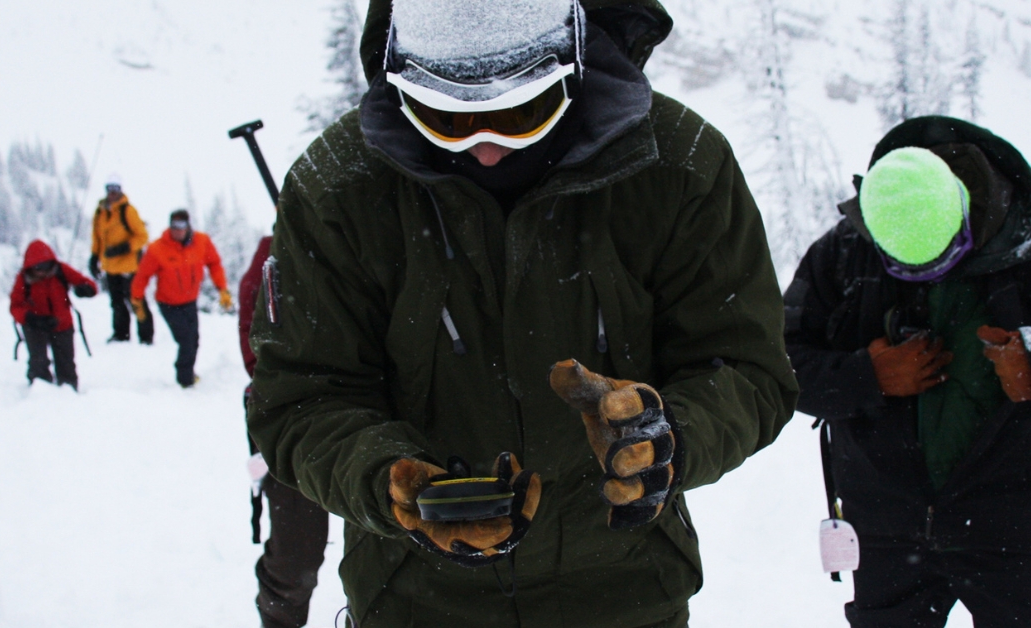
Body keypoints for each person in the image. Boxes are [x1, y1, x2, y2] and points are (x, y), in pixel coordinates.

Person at [246, 1, 799, 625]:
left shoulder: (678, 167)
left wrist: (669, 435)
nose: (486, 150)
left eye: (521, 114)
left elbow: (746, 366)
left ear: (573, 70)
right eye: (447, 118)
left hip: (625, 597)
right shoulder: (339, 191)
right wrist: (388, 481)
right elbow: (301, 399)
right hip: (416, 601)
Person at [785, 116, 1031, 627]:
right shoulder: (844, 250)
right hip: (885, 527)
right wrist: (863, 376)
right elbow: (776, 363)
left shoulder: (1026, 242)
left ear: (966, 209)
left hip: (1014, 528)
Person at [239, 233, 329, 628]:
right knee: (297, 552)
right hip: (290, 410)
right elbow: (257, 346)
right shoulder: (275, 253)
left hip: (383, 405)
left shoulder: (376, 233)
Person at [131, 209, 232, 388]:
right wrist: (137, 299)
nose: (178, 230)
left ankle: (188, 372)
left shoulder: (201, 242)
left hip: (190, 301)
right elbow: (143, 275)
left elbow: (214, 264)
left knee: (194, 340)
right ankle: (185, 379)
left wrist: (222, 289)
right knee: (185, 340)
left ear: (188, 226)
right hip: (168, 304)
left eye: (182, 226)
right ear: (170, 226)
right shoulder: (157, 249)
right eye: (174, 226)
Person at [10, 240, 97, 390]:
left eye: (46, 266)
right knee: (38, 363)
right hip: (35, 326)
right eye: (38, 267)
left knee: (66, 365)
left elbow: (88, 284)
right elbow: (15, 306)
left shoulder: (61, 270)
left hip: (62, 324)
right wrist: (31, 319)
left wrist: (85, 289)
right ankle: (41, 392)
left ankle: (68, 392)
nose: (43, 271)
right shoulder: (23, 279)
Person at [89, 174, 154, 344]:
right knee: (116, 303)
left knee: (136, 301)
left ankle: (146, 337)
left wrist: (123, 248)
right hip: (110, 267)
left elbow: (142, 236)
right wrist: (94, 257)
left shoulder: (128, 211)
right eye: (109, 189)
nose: (112, 193)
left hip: (129, 266)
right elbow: (97, 238)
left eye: (115, 189)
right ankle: (121, 334)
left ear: (120, 190)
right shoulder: (100, 212)